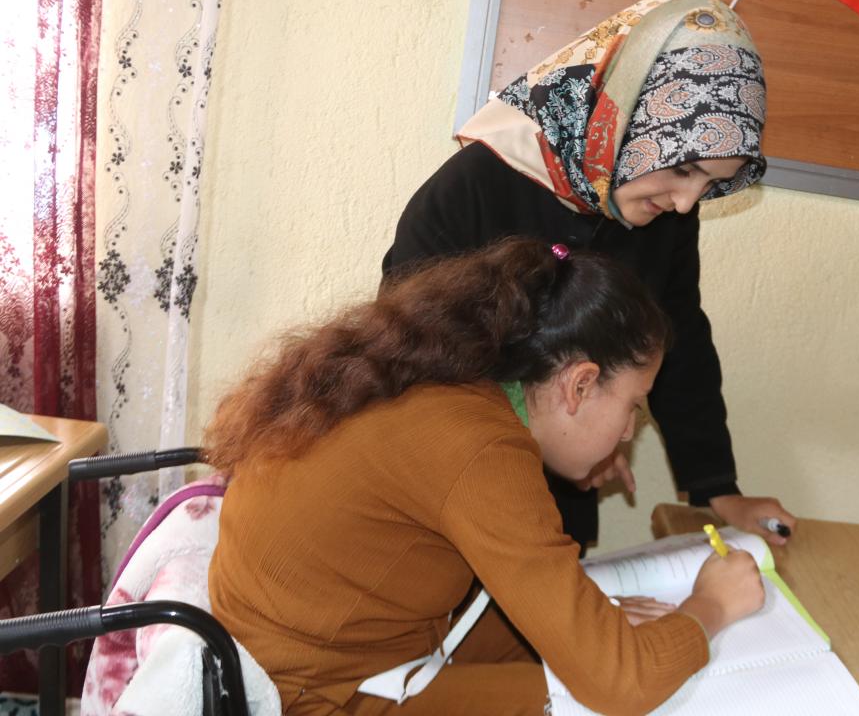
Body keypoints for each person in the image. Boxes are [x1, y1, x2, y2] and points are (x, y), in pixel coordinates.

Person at [205, 239, 765, 715]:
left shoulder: (462, 383)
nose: (626, 434)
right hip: (310, 691)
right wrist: (710, 608)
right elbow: (620, 684)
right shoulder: (482, 450)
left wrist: (594, 627)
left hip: (319, 640)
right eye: (633, 407)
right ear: (579, 385)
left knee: (588, 652)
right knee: (602, 700)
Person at [384, 0, 796, 552]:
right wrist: (562, 440)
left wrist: (716, 488)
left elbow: (678, 337)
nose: (684, 202)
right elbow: (410, 363)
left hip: (559, 505)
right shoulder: (475, 187)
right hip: (449, 497)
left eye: (709, 185)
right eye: (683, 168)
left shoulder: (664, 212)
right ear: (624, 117)